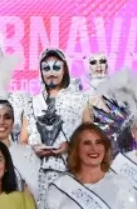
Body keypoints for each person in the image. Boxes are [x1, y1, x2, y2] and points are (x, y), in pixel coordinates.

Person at [23, 48, 90, 189]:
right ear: (41, 72)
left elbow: (90, 138)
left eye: (56, 68)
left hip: (71, 174)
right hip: (37, 175)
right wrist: (33, 148)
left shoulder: (80, 100)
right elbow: (22, 141)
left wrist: (70, 146)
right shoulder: (32, 103)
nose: (51, 73)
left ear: (64, 69)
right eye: (46, 69)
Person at [0, 98, 42, 192]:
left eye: (7, 117)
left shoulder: (27, 154)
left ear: (13, 122)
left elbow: (36, 192)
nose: (2, 122)